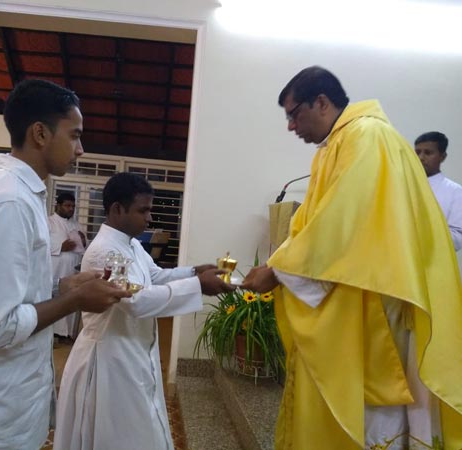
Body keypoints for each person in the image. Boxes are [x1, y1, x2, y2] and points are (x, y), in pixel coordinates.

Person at [242, 66, 462, 449]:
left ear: (321, 102)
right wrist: (279, 262)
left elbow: (344, 221)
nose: (291, 126)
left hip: (376, 294)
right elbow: (317, 221)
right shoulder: (338, 144)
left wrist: (276, 272)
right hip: (355, 287)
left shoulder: (368, 136)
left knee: (373, 404)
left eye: (294, 114)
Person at [0, 80, 131, 450]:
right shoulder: (9, 202)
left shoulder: (23, 195)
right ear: (40, 133)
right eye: (75, 135)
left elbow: (12, 293)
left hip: (2, 408)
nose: (80, 149)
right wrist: (74, 301)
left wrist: (62, 287)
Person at [53, 172, 234, 450]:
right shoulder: (104, 251)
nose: (149, 218)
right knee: (117, 436)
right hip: (109, 358)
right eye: (143, 210)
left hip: (132, 350)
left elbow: (155, 276)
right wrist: (198, 285)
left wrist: (193, 271)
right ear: (117, 209)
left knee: (141, 426)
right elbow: (135, 300)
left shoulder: (132, 244)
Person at [414, 131, 462, 251]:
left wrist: (420, 234)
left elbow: (458, 237)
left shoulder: (455, 192)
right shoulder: (402, 185)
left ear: (442, 157)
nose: (421, 158)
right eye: (417, 152)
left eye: (428, 153)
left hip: (435, 259)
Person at [49, 192, 87, 341]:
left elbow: (84, 248)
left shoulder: (77, 225)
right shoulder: (48, 222)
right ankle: (53, 333)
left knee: (70, 298)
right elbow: (40, 245)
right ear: (58, 206)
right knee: (54, 299)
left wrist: (84, 241)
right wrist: (60, 247)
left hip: (72, 269)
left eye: (73, 206)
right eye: (67, 205)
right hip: (55, 269)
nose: (71, 209)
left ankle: (68, 333)